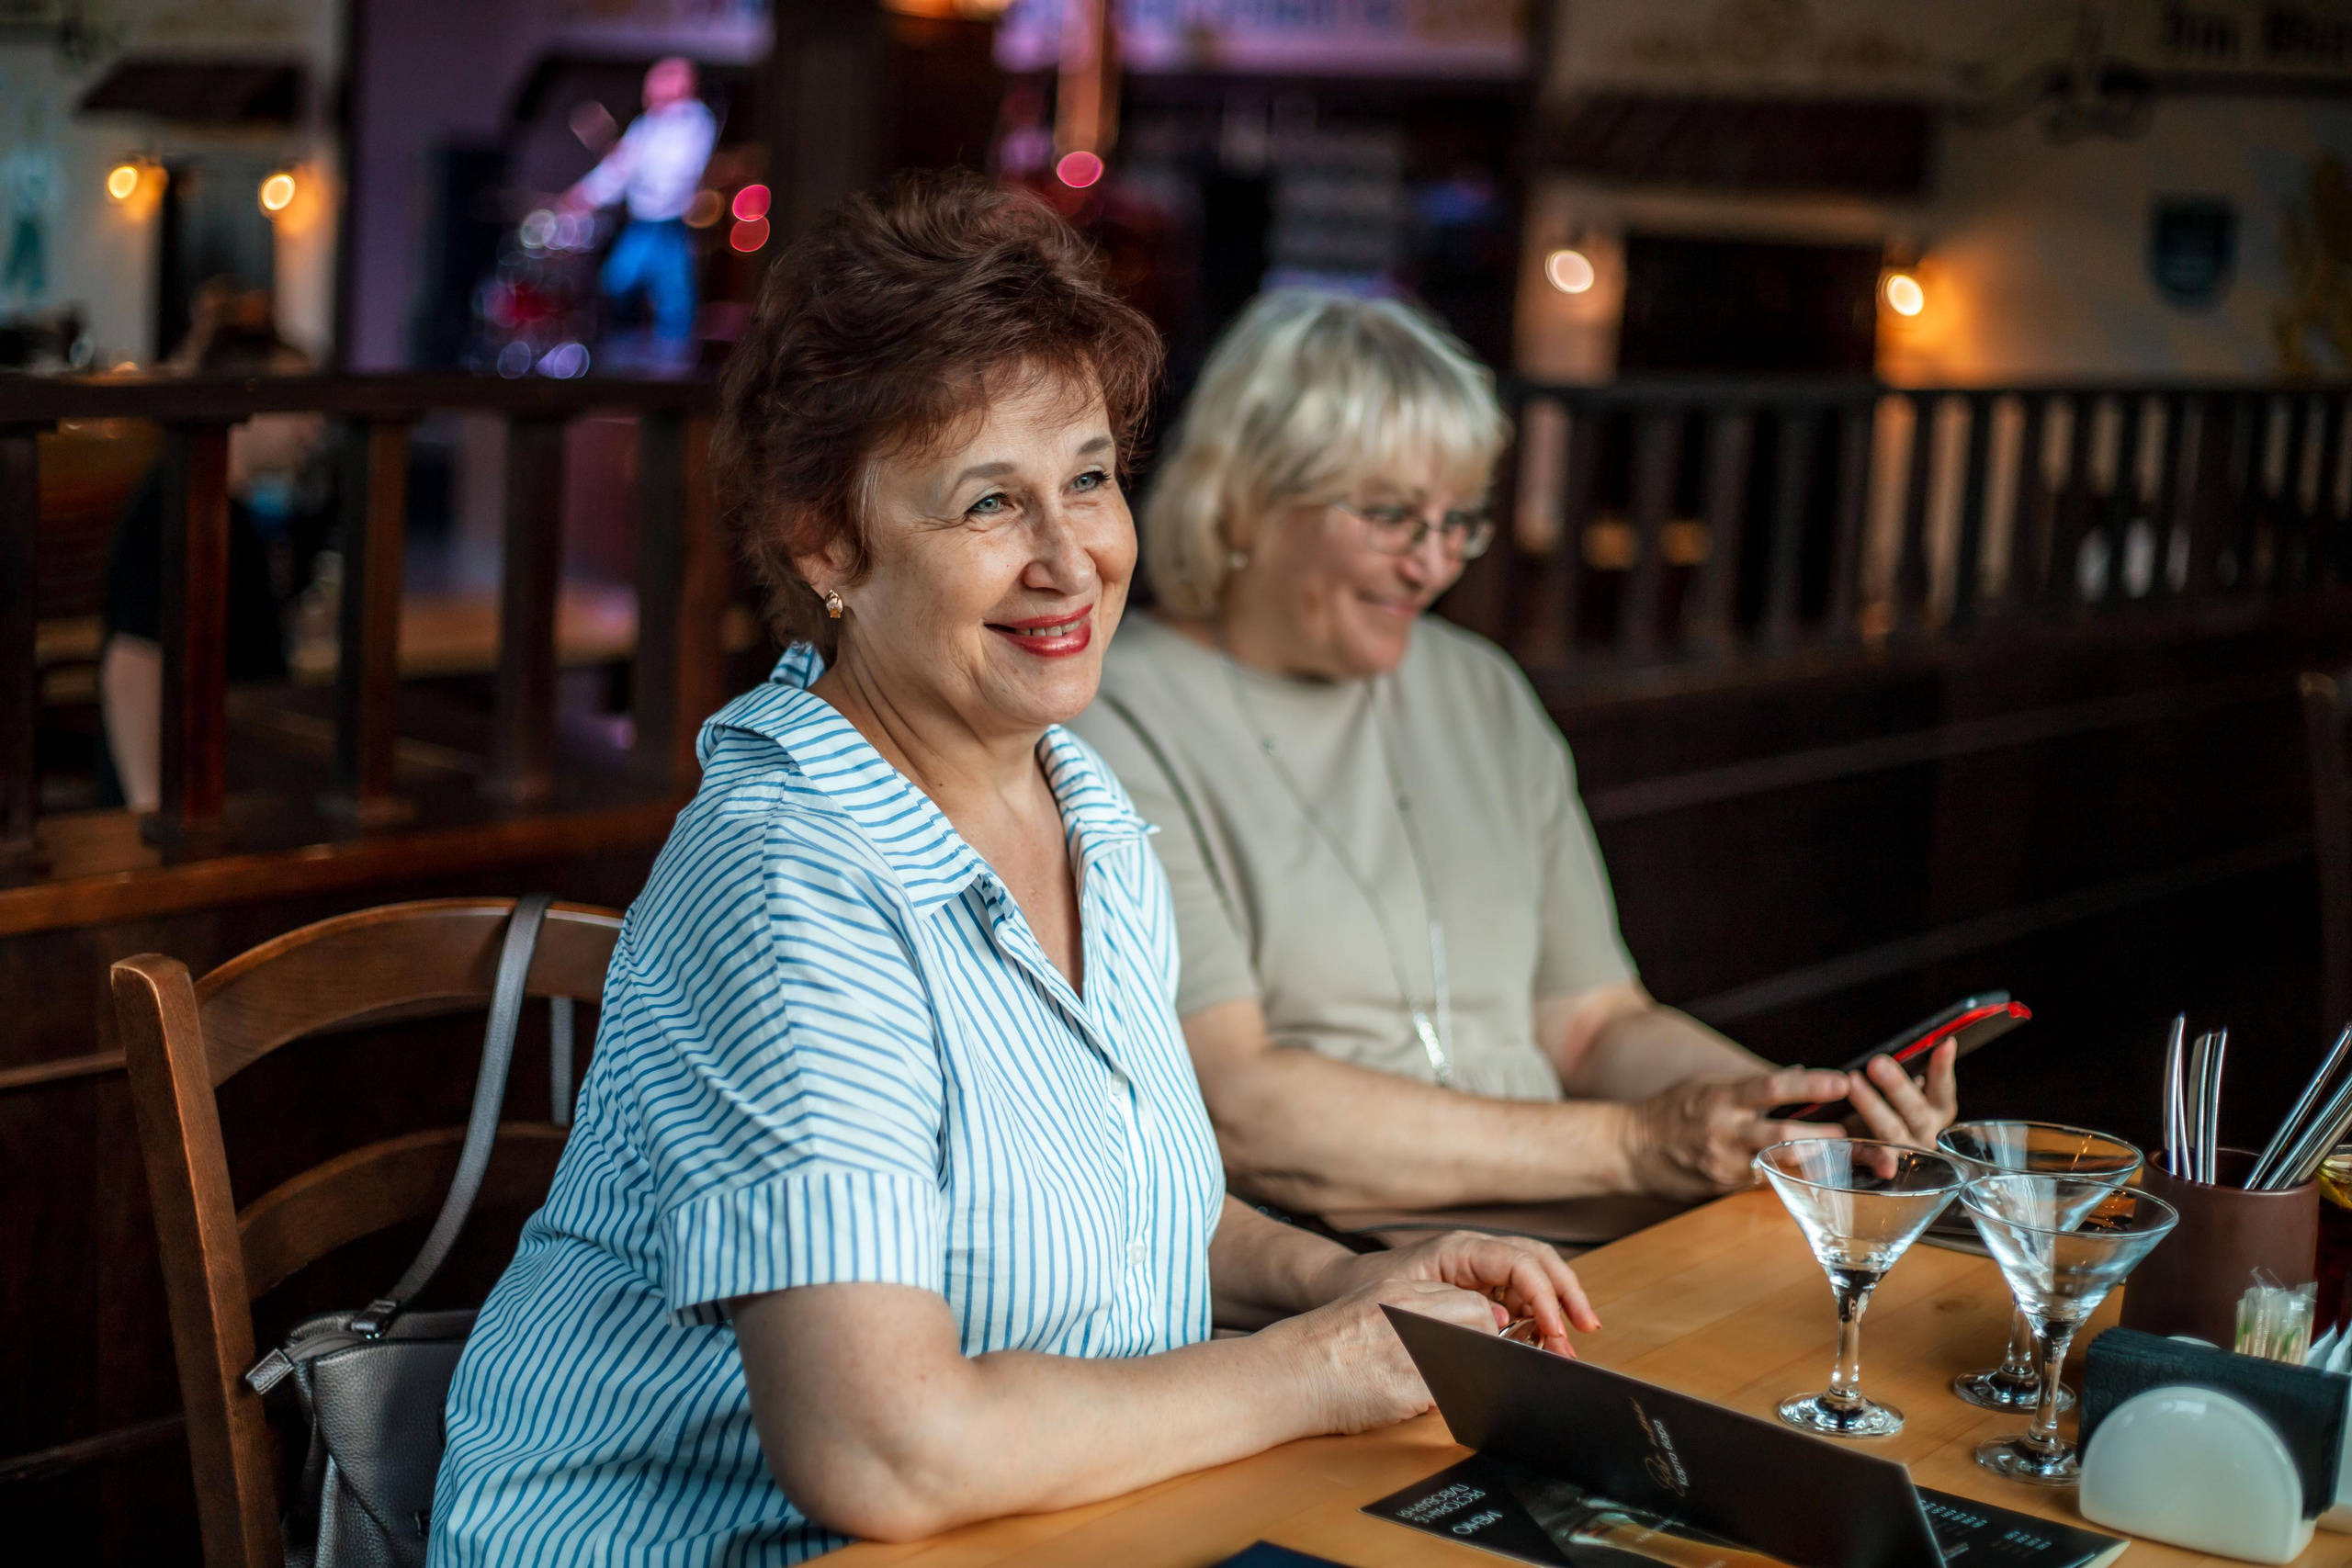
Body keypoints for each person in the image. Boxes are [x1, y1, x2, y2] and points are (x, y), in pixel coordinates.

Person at [429, 174, 1598, 1565]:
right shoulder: (788, 876)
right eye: (992, 502)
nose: (1074, 559)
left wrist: (1352, 1278)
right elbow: (885, 1449)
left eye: (1091, 480)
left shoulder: (1081, 799)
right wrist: (1320, 1366)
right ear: (827, 543)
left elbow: (1126, 1194)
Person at [1066, 291, 1960, 1223]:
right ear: (1246, 496)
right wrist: (1636, 1144)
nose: (1434, 565)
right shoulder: (1119, 709)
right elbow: (1240, 1109)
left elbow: (1592, 1025)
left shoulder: (1477, 688)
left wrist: (1792, 1115)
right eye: (1392, 516)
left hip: (1588, 1229)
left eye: (1459, 521)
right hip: (1348, 1262)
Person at [562, 55, 715, 372]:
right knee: (617, 283)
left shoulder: (695, 121)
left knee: (674, 299)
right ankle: (625, 357)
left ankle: (674, 368)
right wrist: (582, 195)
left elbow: (674, 171)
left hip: (668, 225)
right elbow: (615, 174)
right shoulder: (646, 125)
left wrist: (630, 162)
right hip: (642, 223)